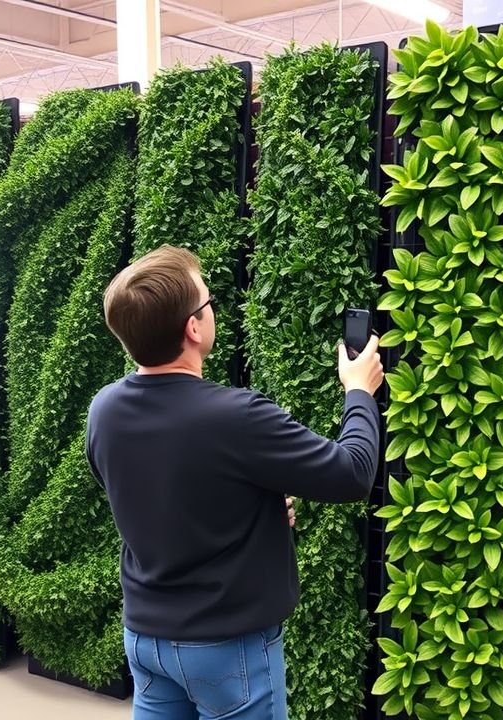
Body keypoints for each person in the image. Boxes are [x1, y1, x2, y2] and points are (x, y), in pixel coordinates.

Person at [86, 244, 384, 720]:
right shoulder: (237, 415)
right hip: (226, 649)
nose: (212, 311)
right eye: (208, 302)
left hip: (145, 640)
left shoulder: (105, 409)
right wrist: (359, 390)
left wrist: (257, 510)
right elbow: (351, 473)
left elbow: (154, 493)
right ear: (193, 327)